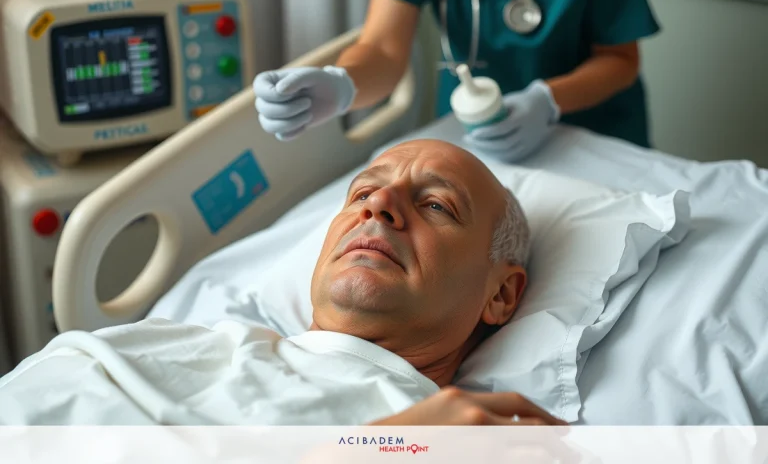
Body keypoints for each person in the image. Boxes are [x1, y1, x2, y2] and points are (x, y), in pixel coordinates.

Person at [0, 140, 565, 427]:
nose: (380, 205)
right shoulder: (152, 345)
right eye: (362, 194)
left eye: (437, 204)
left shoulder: (453, 439)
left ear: (501, 294)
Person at [253, 0, 660, 162]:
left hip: (592, 134)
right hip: (472, 131)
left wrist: (547, 101)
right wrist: (341, 83)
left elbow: (620, 59)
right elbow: (381, 49)